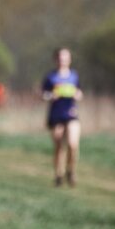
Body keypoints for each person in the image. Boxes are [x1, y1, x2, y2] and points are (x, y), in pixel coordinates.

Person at [42, 47, 83, 187]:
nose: (63, 60)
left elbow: (80, 92)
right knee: (59, 145)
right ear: (56, 60)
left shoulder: (74, 76)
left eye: (65, 57)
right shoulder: (50, 77)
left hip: (71, 112)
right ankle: (58, 174)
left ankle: (71, 171)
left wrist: (77, 95)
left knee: (73, 143)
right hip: (56, 114)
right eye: (60, 58)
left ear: (69, 60)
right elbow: (43, 95)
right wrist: (51, 96)